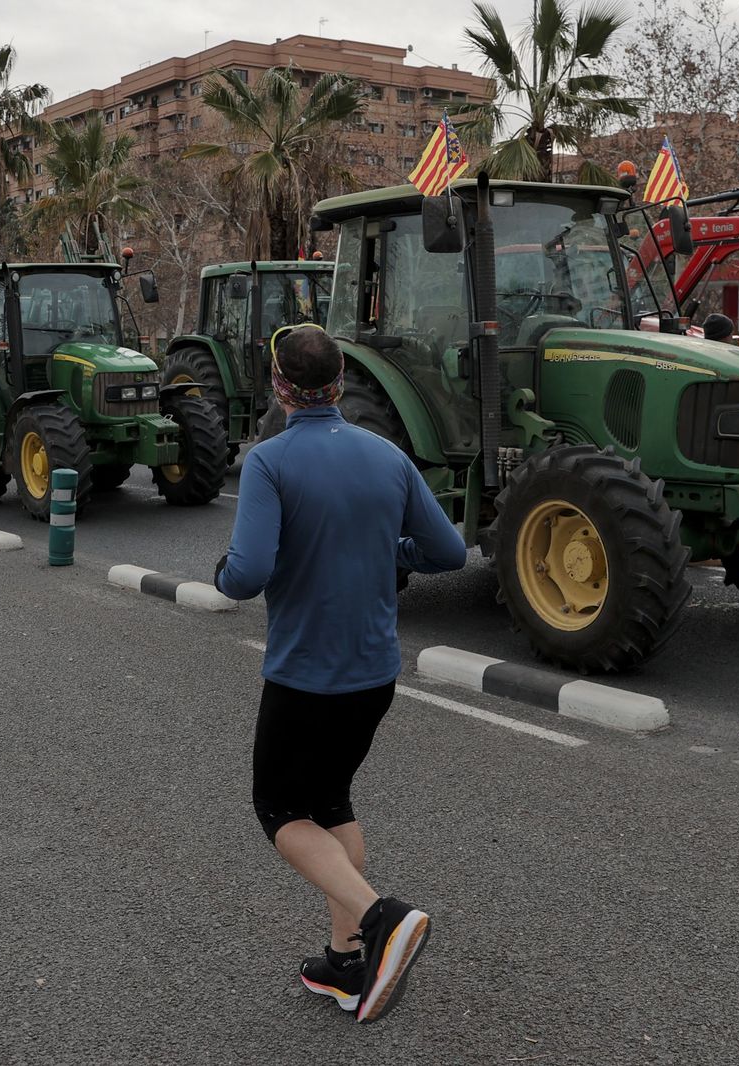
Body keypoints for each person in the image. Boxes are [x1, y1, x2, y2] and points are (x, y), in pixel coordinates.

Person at [214, 323, 467, 1026]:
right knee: (329, 800)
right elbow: (448, 551)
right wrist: (393, 549)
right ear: (340, 384)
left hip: (305, 674)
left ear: (278, 385)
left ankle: (382, 917)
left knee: (279, 809)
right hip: (374, 673)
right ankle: (347, 960)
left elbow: (250, 573)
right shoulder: (386, 455)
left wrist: (225, 576)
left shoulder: (269, 462)